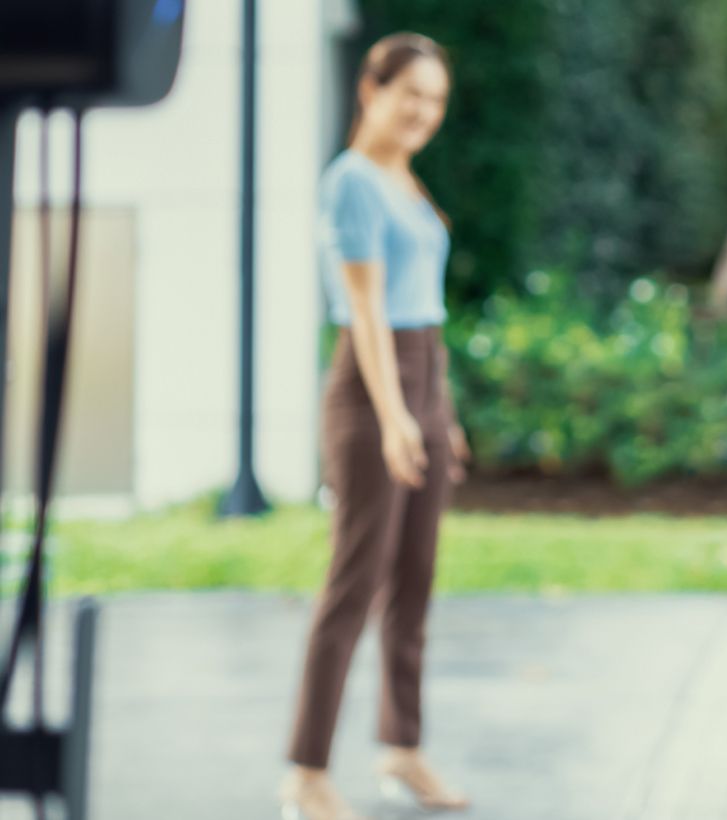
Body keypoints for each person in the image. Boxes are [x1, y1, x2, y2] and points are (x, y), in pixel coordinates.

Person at [281, 33, 473, 820]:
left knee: (415, 582)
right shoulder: (352, 182)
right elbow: (365, 310)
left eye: (434, 101)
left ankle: (402, 750)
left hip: (424, 379)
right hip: (371, 392)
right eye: (410, 97)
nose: (422, 113)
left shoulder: (406, 177)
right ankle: (306, 773)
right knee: (353, 584)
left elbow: (425, 304)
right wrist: (395, 417)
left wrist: (440, 415)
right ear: (371, 89)